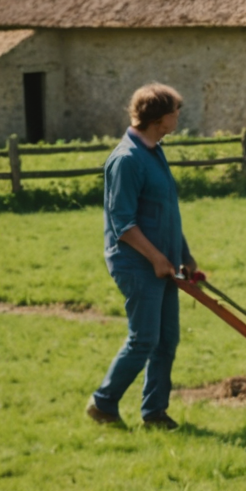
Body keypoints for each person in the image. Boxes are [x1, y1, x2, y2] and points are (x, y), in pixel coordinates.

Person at [88, 84, 196, 429]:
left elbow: (164, 212)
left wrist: (184, 255)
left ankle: (154, 413)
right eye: (175, 112)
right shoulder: (127, 159)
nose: (179, 117)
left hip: (161, 261)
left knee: (166, 340)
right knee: (144, 338)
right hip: (136, 263)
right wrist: (156, 259)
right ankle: (103, 403)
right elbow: (123, 224)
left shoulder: (153, 151)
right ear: (160, 118)